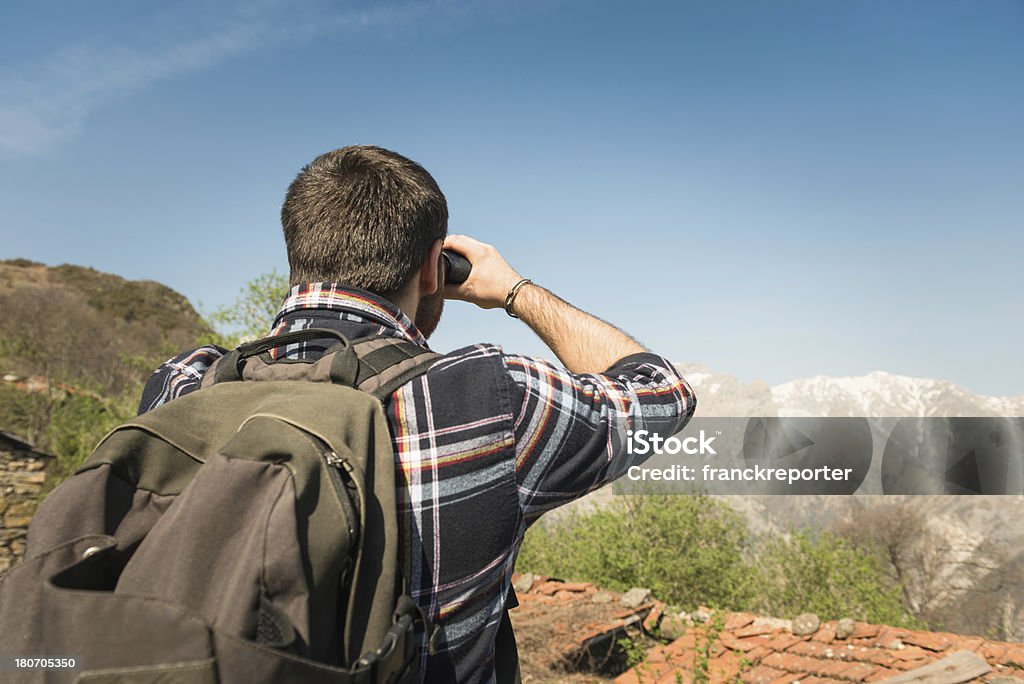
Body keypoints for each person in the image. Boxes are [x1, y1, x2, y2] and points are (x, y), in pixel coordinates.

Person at [139, 145, 696, 683]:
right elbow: (663, 393)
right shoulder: (491, 399)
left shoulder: (185, 384)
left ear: (297, 258)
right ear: (436, 268)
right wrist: (515, 291)